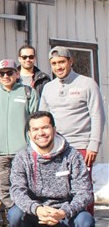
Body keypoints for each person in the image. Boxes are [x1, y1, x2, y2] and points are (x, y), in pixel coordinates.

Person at [8, 111, 94, 227]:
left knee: (86, 221)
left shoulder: (72, 156)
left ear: (54, 129)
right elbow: (17, 191)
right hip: (37, 212)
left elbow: (84, 192)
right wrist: (37, 208)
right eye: (35, 129)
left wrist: (64, 212)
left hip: (64, 212)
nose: (40, 133)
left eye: (45, 127)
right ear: (29, 133)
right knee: (14, 215)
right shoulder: (22, 157)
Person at [39, 46, 105, 215]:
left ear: (71, 61)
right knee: (56, 189)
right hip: (56, 147)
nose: (58, 67)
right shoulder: (48, 88)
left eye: (61, 62)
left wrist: (93, 145)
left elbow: (98, 115)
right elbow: (43, 118)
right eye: (54, 63)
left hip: (81, 146)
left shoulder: (87, 84)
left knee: (82, 189)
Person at [0, 59, 38, 227]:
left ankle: (27, 221)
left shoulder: (28, 93)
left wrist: (28, 145)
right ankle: (11, 220)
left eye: (9, 72)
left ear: (17, 73)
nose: (6, 76)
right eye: (1, 73)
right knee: (4, 188)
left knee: (23, 186)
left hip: (21, 152)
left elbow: (35, 121)